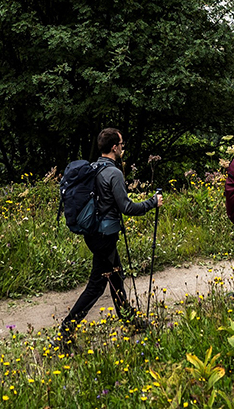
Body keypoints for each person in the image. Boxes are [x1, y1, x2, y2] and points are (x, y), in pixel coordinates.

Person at [58, 127, 161, 343]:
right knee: (97, 284)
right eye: (121, 145)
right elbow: (127, 207)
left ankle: (129, 319)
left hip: (94, 234)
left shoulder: (93, 168)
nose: (123, 148)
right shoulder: (113, 172)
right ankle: (65, 331)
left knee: (115, 276)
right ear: (114, 147)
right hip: (104, 236)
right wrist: (152, 202)